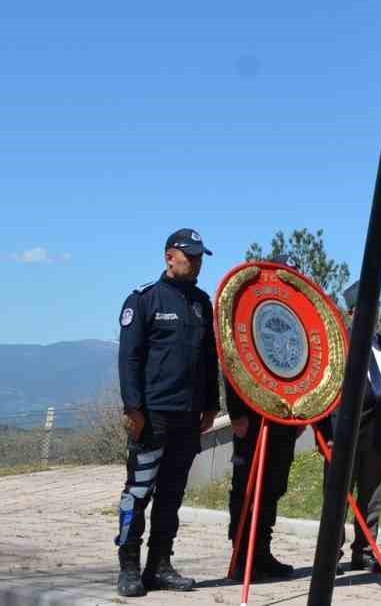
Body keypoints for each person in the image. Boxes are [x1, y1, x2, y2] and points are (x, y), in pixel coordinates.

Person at [114, 229, 221, 597]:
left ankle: (159, 565)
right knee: (138, 491)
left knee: (172, 495)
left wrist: (211, 405)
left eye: (200, 258)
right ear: (168, 257)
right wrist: (132, 407)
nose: (195, 263)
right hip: (153, 415)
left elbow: (209, 359)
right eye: (189, 256)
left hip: (188, 415)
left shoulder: (201, 303)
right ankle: (128, 567)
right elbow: (129, 357)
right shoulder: (143, 299)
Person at [317, 328, 381, 574]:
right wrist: (325, 433)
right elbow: (324, 390)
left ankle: (364, 551)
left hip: (377, 433)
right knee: (338, 497)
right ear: (354, 313)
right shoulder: (337, 341)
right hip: (343, 434)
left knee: (371, 496)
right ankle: (330, 554)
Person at [223, 378, 301, 581]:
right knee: (245, 490)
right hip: (251, 417)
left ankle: (262, 554)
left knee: (273, 488)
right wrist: (236, 412)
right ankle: (241, 557)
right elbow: (233, 363)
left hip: (284, 416)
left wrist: (302, 414)